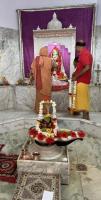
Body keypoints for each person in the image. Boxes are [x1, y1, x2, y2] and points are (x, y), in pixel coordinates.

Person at [72, 40, 93, 120]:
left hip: (82, 81)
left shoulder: (84, 54)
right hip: (84, 80)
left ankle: (86, 118)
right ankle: (84, 116)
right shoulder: (87, 53)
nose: (76, 49)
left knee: (83, 100)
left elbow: (87, 67)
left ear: (78, 47)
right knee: (83, 99)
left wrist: (76, 76)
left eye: (76, 47)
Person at [31, 46, 52, 114]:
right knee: (46, 95)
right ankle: (46, 111)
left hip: (39, 82)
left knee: (39, 96)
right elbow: (53, 68)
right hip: (47, 82)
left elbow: (32, 69)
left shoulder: (36, 59)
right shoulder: (50, 60)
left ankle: (39, 110)